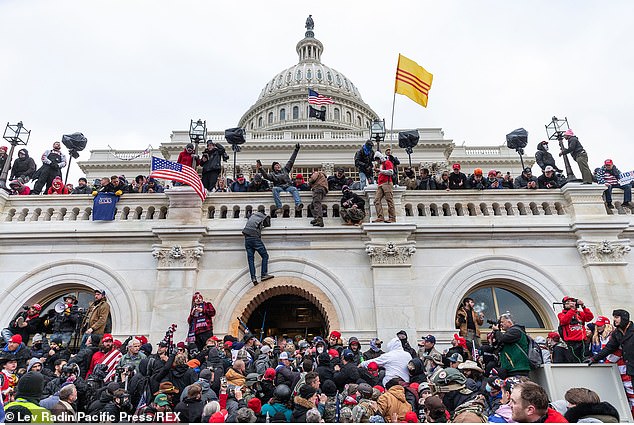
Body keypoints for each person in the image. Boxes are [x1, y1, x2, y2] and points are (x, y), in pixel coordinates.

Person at [256, 143, 303, 214]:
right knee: (274, 189)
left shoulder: (285, 169)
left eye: (278, 165)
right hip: (279, 187)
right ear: (274, 168)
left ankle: (298, 204)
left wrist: (296, 150)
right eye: (276, 165)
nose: (278, 166)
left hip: (288, 186)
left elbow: (291, 161)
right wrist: (261, 169)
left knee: (294, 189)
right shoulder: (272, 174)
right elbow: (266, 176)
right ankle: (279, 207)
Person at [492, 312, 531, 377]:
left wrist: (496, 331)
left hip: (518, 368)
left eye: (502, 322)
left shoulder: (516, 331)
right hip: (512, 368)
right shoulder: (510, 332)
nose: (501, 324)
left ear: (509, 322)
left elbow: (503, 338)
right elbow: (497, 345)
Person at [242, 211, 274, 286]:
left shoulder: (252, 215)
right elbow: (267, 224)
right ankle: (264, 274)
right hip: (255, 238)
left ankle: (253, 278)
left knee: (251, 259)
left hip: (247, 238)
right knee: (265, 256)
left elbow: (247, 215)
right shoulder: (264, 217)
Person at [558, 296, 594, 363]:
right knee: (576, 360)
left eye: (571, 301)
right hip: (571, 342)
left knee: (585, 359)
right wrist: (572, 310)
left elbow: (589, 317)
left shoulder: (579, 313)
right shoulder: (561, 314)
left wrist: (583, 306)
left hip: (582, 340)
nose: (570, 303)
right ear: (564, 304)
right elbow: (564, 321)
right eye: (567, 302)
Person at [372, 151, 396, 223]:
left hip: (387, 183)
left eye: (377, 160)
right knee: (376, 200)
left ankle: (392, 218)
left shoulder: (387, 162)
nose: (377, 161)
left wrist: (380, 171)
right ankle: (380, 217)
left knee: (389, 200)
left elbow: (391, 172)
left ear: (380, 158)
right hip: (381, 184)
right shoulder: (382, 165)